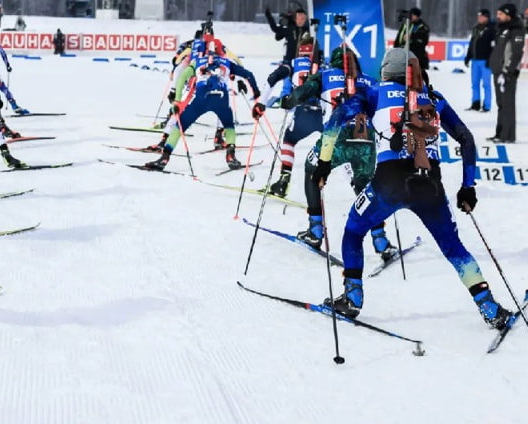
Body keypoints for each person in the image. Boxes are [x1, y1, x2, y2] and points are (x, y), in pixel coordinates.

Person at [315, 47, 514, 333]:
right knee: (453, 247)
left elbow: (335, 121)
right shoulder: (434, 98)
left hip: (389, 183)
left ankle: (353, 297)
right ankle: (489, 307)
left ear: (386, 71)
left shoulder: (374, 93)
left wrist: (323, 164)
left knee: (354, 229)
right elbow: (466, 139)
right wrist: (467, 187)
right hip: (430, 186)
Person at [287, 46, 397, 263]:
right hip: (366, 141)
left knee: (311, 170)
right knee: (365, 188)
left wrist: (288, 101)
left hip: (336, 137)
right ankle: (381, 240)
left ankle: (315, 230)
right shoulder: (368, 80)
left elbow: (301, 94)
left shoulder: (324, 75)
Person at [143, 43, 263, 173]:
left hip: (201, 99)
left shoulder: (197, 61)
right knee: (229, 125)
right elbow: (248, 74)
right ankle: (230, 156)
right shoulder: (227, 62)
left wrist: (177, 100)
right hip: (221, 100)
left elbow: (182, 76)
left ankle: (164, 158)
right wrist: (256, 93)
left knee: (180, 126)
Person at [266, 34, 323, 197]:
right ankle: (358, 186)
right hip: (322, 114)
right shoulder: (324, 67)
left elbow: (286, 92)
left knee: (289, 140)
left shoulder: (293, 65)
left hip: (302, 114)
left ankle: (284, 180)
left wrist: (280, 101)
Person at [488, 3, 526, 144]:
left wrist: (508, 70)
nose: (498, 16)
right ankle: (500, 132)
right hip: (498, 71)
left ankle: (508, 135)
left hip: (507, 73)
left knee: (508, 104)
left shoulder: (516, 30)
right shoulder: (501, 29)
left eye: (501, 14)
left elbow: (516, 53)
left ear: (508, 14)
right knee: (501, 104)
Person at [463, 8, 496, 113]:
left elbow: (494, 47)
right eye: (479, 17)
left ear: (487, 17)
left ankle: (487, 105)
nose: (479, 19)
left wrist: (490, 59)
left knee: (486, 84)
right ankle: (475, 103)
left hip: (485, 60)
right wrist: (468, 57)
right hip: (475, 60)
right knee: (475, 83)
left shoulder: (492, 29)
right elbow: (472, 43)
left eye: (481, 17)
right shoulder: (476, 28)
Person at [394, 7, 430, 72]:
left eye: (413, 15)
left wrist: (412, 37)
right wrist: (396, 48)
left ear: (417, 16)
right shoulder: (406, 24)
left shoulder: (423, 27)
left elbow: (423, 40)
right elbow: (399, 37)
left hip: (416, 55)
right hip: (402, 53)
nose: (411, 17)